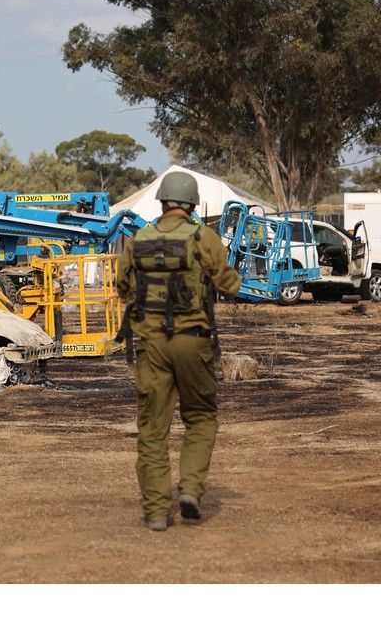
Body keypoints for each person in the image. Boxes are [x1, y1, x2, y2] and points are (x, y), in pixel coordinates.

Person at [116, 172, 242, 531]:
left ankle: (157, 511)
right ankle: (189, 490)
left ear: (162, 202)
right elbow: (230, 285)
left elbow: (122, 286)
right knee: (201, 417)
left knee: (153, 429)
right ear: (192, 205)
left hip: (151, 347)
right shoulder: (204, 238)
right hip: (194, 342)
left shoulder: (137, 240)